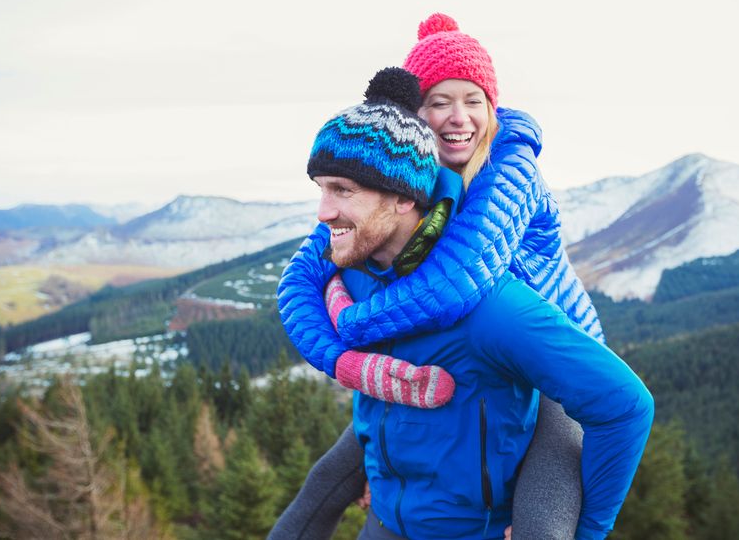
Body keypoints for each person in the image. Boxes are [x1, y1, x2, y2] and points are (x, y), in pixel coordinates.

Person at [276, 67, 652, 539]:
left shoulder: (489, 308)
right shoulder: (353, 269)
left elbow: (625, 405)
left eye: (342, 191)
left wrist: (587, 530)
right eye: (322, 189)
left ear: (403, 199)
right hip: (385, 523)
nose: (323, 212)